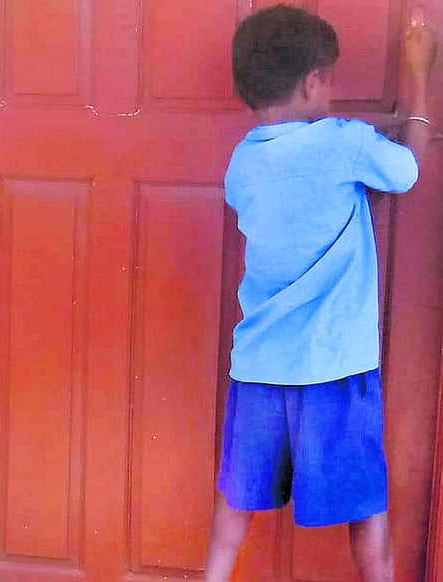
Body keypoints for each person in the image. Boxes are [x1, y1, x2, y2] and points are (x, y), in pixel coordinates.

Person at [204, 6, 436, 581]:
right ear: (314, 81)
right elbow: (406, 170)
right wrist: (418, 74)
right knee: (367, 514)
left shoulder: (242, 164)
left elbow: (300, 191)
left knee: (236, 501)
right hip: (335, 369)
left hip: (259, 368)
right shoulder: (347, 144)